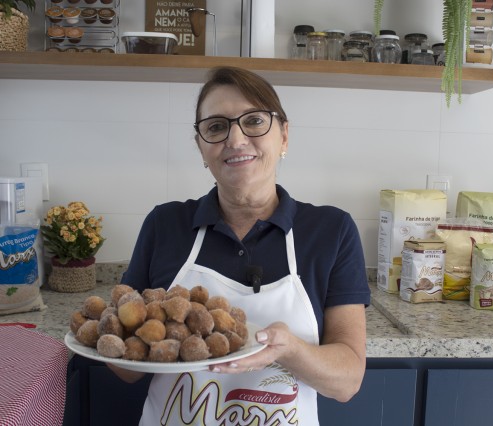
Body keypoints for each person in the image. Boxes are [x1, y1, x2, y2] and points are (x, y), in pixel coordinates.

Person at [114, 66, 370, 425]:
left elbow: (347, 382)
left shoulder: (330, 230)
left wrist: (289, 350)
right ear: (202, 148)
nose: (235, 140)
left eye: (253, 121)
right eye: (216, 127)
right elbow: (130, 369)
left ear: (283, 136)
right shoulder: (165, 224)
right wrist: (101, 333)